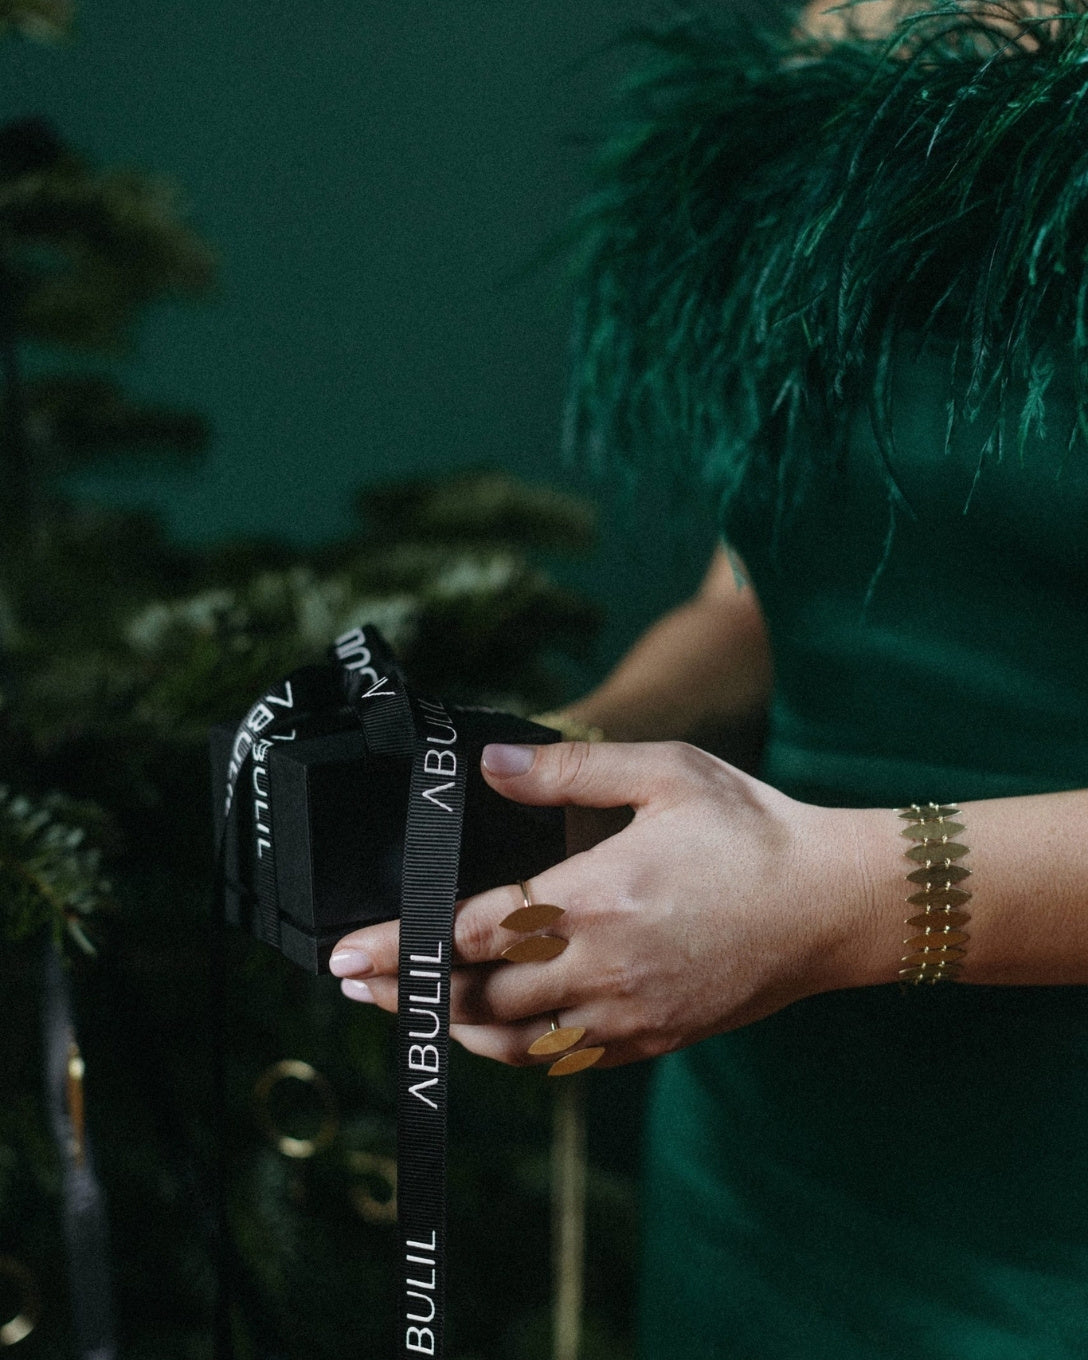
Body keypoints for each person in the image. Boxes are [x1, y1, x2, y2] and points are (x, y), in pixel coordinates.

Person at [331, 2, 1088, 1354]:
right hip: (772, 1168)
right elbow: (764, 592)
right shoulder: (839, 24)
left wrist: (838, 905)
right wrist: (546, 771)